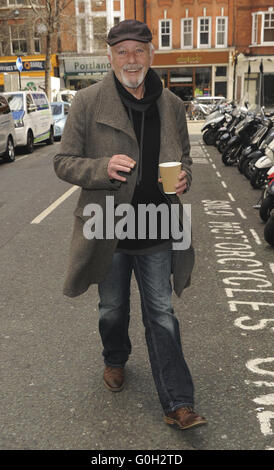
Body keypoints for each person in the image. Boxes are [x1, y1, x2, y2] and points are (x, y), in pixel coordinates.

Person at [53, 19, 207, 431]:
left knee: (161, 313)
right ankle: (115, 357)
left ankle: (178, 402)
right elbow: (63, 162)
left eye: (139, 50)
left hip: (157, 227)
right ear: (110, 57)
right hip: (109, 228)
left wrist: (185, 176)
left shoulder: (172, 105)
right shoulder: (87, 102)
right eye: (122, 52)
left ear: (151, 55)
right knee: (112, 308)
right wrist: (103, 167)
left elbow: (185, 158)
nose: (131, 59)